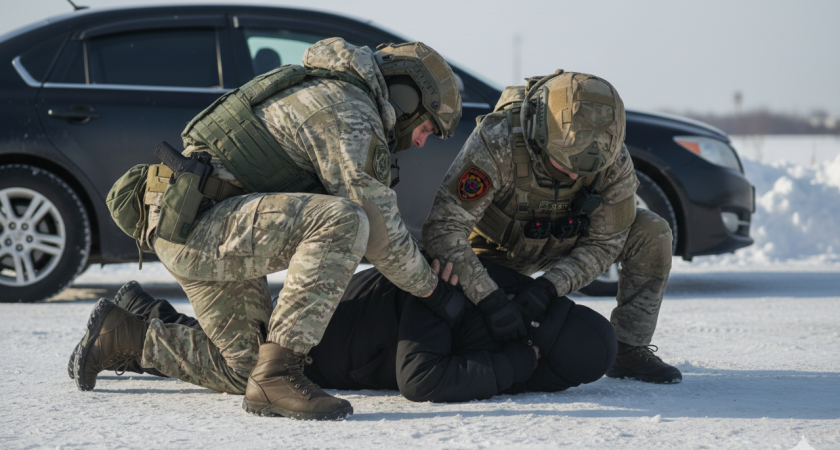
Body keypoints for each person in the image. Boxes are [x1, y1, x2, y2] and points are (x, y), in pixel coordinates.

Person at [70, 37, 464, 421]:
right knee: (344, 220)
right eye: (427, 129)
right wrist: (434, 289)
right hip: (202, 226)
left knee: (244, 369)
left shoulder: (341, 95)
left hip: (197, 224)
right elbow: (376, 225)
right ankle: (279, 376)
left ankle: (125, 334)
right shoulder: (347, 108)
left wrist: (420, 265)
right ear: (407, 100)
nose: (422, 143)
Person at [422, 70, 681, 384]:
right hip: (492, 257)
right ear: (539, 138)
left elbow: (606, 242)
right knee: (478, 330)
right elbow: (444, 229)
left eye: (583, 172)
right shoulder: (499, 139)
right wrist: (488, 298)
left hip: (563, 246)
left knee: (652, 231)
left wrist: (550, 287)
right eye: (564, 165)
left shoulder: (611, 156)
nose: (574, 178)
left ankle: (629, 349)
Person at [68, 257, 617, 403]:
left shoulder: (511, 303)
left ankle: (141, 309)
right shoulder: (502, 330)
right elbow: (422, 379)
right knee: (253, 373)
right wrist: (515, 367)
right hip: (338, 336)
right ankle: (128, 336)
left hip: (352, 314)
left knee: (242, 344)